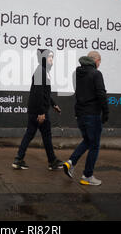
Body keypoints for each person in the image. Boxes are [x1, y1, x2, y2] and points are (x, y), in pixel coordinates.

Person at [12, 49, 63, 171]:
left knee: (30, 134)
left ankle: (19, 159)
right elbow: (38, 94)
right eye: (50, 57)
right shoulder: (41, 72)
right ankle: (52, 161)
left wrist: (53, 104)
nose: (52, 60)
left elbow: (44, 93)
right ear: (44, 58)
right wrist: (41, 112)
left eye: (52, 57)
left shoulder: (42, 71)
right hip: (39, 111)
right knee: (46, 135)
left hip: (35, 110)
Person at [63, 51, 109, 185]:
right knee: (94, 145)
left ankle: (70, 162)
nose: (99, 65)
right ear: (96, 60)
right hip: (92, 115)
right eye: (99, 62)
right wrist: (105, 112)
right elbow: (101, 94)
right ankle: (87, 176)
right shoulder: (96, 74)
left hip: (80, 114)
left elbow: (79, 92)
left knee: (88, 141)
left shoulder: (76, 73)